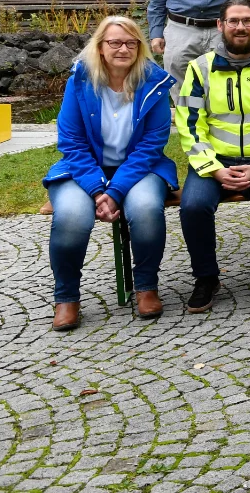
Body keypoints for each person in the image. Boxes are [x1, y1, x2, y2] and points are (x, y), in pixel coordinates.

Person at [44, 17, 177, 329]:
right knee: (72, 216)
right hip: (84, 168)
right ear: (100, 48)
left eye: (131, 43)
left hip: (140, 166)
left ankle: (146, 287)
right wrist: (96, 188)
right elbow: (72, 142)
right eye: (115, 42)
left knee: (145, 208)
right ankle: (66, 297)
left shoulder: (155, 82)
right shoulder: (80, 80)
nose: (123, 48)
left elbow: (151, 145)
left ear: (140, 48)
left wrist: (115, 192)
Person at [173, 0, 250, 311]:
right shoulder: (200, 68)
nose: (240, 27)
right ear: (221, 25)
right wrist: (213, 168)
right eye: (233, 21)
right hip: (216, 162)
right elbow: (189, 124)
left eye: (246, 21)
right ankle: (206, 276)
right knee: (193, 205)